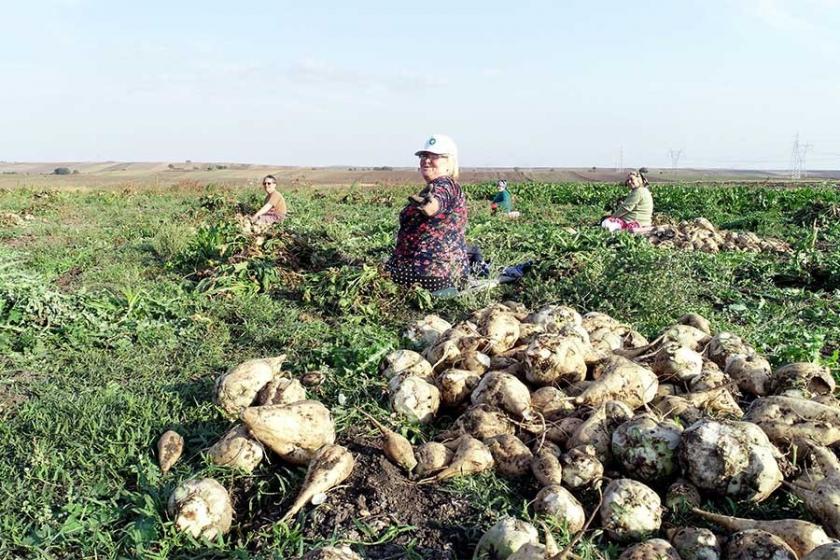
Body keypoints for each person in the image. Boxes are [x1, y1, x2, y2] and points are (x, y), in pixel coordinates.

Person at [386, 134, 468, 291]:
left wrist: (429, 204)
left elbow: (436, 203)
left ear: (448, 162)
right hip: (436, 272)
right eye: (423, 155)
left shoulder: (445, 184)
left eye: (434, 156)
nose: (426, 160)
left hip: (430, 274)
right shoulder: (439, 185)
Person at [601, 168, 653, 232]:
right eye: (628, 180)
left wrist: (613, 217)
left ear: (639, 180)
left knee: (606, 223)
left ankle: (630, 230)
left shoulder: (638, 192)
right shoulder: (643, 190)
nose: (629, 182)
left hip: (636, 222)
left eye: (631, 179)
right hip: (644, 222)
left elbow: (626, 208)